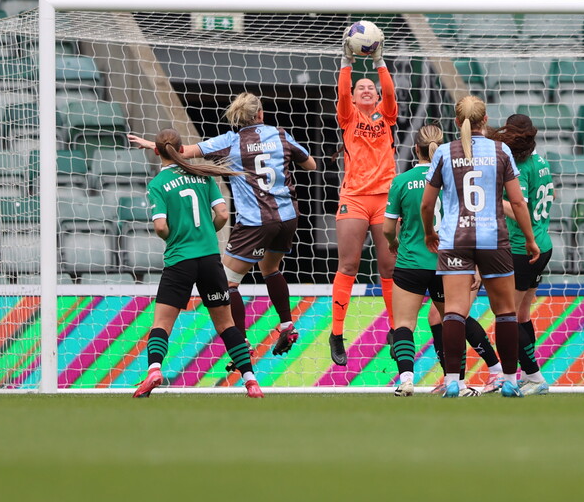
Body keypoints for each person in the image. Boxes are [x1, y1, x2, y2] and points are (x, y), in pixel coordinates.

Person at [129, 93, 317, 358]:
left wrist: (153, 145)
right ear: (260, 114)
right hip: (287, 218)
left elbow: (183, 151)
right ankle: (287, 323)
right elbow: (310, 164)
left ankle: (242, 345)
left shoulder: (230, 142)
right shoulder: (280, 135)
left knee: (228, 283)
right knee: (270, 268)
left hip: (255, 223)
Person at [421, 96, 540, 398]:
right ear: (485, 120)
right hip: (493, 240)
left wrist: (429, 232)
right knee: (505, 312)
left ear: (455, 120)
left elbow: (426, 204)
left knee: (454, 312)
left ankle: (451, 380)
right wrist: (529, 238)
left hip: (455, 239)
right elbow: (516, 201)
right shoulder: (501, 151)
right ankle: (511, 380)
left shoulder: (445, 153)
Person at [133, 128, 263, 398]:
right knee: (226, 325)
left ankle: (155, 370)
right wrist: (207, 231)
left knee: (162, 323)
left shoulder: (158, 184)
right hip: (208, 259)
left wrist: (174, 236)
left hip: (180, 260)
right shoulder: (203, 177)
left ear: (157, 151)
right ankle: (251, 381)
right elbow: (223, 214)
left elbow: (160, 227)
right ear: (182, 149)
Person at [383, 124, 505, 396]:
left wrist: (393, 242)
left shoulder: (401, 181)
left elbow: (388, 229)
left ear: (416, 149)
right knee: (456, 317)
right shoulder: (453, 178)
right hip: (448, 262)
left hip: (411, 262)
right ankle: (480, 375)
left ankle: (406, 379)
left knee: (404, 324)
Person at [330, 30, 398, 365]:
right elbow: (343, 91)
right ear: (355, 98)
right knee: (350, 264)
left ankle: (395, 328)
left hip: (385, 197)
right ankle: (337, 333)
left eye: (371, 87)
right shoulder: (348, 116)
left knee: (389, 266)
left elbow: (390, 92)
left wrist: (378, 61)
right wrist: (347, 62)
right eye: (362, 88)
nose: (367, 89)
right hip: (355, 197)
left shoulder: (386, 115)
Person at [487, 114, 554, 396]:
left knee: (507, 316)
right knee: (522, 314)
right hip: (543, 244)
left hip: (522, 247)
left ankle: (526, 377)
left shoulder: (523, 166)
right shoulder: (542, 162)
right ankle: (530, 376)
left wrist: (492, 200)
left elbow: (519, 209)